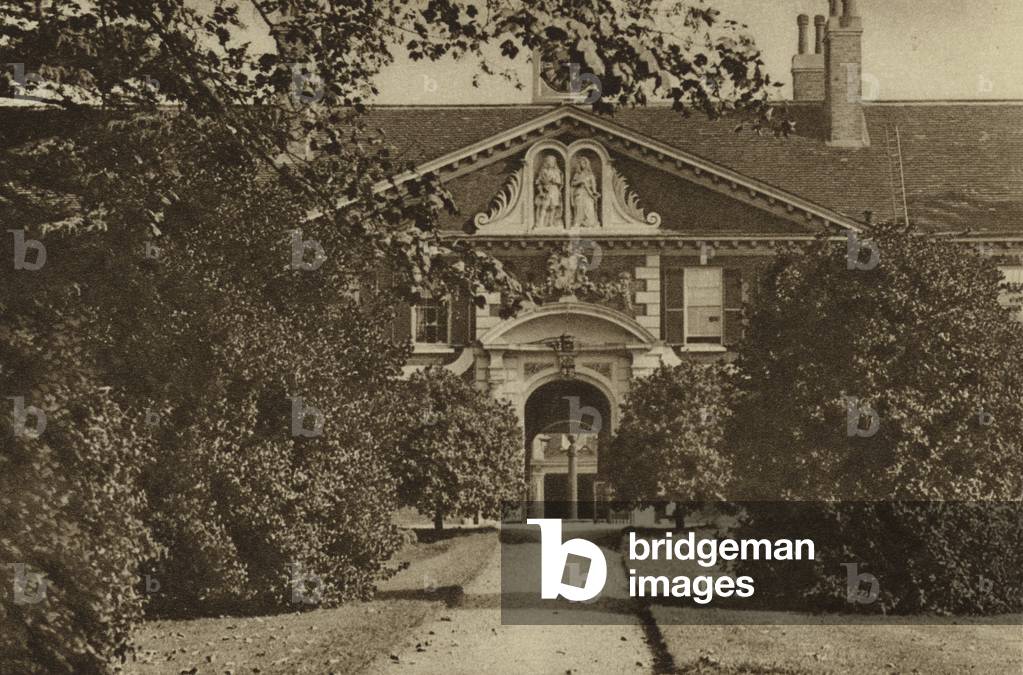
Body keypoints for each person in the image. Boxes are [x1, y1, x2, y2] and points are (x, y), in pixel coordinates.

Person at [534, 154, 563, 229]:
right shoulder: (543, 171)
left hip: (554, 190)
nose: (551, 163)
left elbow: (559, 181)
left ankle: (551, 222)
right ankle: (541, 222)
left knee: (553, 207)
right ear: (546, 162)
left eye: (552, 162)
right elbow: (538, 181)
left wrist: (554, 180)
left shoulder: (557, 171)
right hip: (546, 190)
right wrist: (541, 190)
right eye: (549, 161)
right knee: (545, 206)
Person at [571, 156, 600, 228]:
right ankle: (578, 222)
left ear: (587, 164)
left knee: (589, 207)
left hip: (588, 194)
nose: (582, 164)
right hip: (579, 193)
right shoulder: (577, 174)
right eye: (581, 163)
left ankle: (589, 222)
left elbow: (594, 188)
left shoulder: (591, 175)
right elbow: (572, 184)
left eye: (584, 163)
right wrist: (580, 181)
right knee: (579, 207)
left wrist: (594, 193)